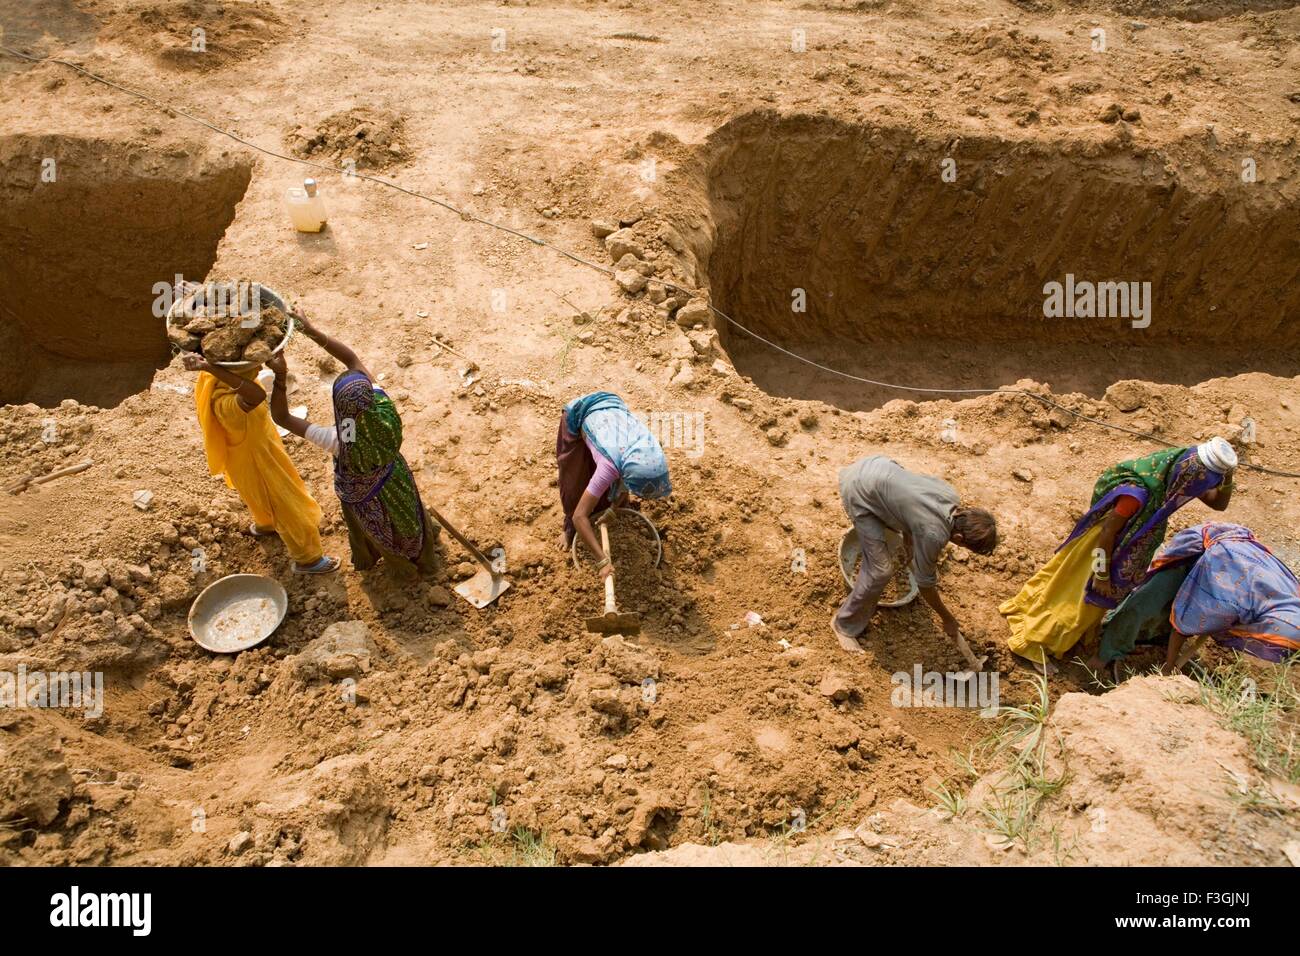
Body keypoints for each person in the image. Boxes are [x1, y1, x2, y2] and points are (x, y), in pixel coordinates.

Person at [1000, 438, 1237, 671]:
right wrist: (1101, 575)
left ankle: (1060, 636)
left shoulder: (1172, 480)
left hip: (1121, 547)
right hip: (1100, 550)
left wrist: (1228, 475)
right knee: (1077, 603)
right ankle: (1034, 644)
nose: (1201, 491)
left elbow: (1219, 504)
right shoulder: (1138, 495)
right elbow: (1107, 532)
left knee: (1074, 597)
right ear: (1189, 478)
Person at [265, 311, 440, 576]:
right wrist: (312, 331)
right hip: (396, 479)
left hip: (366, 499)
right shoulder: (384, 407)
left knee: (381, 530)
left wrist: (280, 376)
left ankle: (402, 570)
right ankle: (421, 555)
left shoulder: (340, 439)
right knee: (407, 516)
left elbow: (281, 417)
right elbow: (352, 360)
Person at [183, 352, 338, 574]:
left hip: (251, 454)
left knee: (257, 498)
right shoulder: (225, 404)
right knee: (286, 505)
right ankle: (308, 559)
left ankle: (266, 525)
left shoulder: (216, 382)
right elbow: (255, 396)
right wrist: (280, 374)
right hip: (258, 462)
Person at [833, 454, 998, 655]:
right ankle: (844, 626)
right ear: (959, 538)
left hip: (875, 465)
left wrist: (909, 537)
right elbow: (925, 585)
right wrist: (947, 618)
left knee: (898, 529)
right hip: (858, 491)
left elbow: (914, 502)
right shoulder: (934, 534)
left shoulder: (950, 495)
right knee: (880, 571)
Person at [1092, 522, 1300, 674]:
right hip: (1199, 553)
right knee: (1144, 604)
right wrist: (1169, 667)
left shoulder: (1288, 602)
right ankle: (1104, 655)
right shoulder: (1230, 604)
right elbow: (1185, 623)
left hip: (1229, 563)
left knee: (1173, 611)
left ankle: (1151, 639)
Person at [557, 392, 671, 579]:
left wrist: (612, 509)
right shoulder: (610, 467)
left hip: (612, 412)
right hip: (580, 412)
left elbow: (626, 480)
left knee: (607, 477)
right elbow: (580, 516)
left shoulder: (651, 449)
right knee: (574, 482)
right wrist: (602, 560)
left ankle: (607, 504)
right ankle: (567, 531)